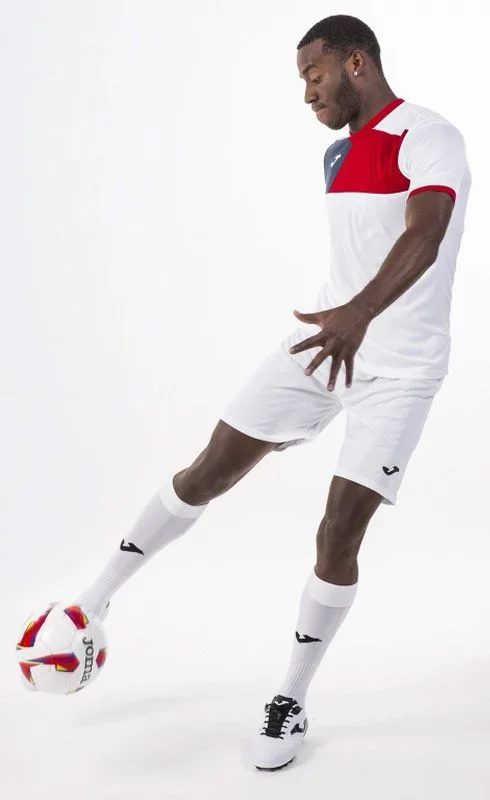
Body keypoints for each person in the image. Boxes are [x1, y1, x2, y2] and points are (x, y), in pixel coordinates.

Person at [74, 15, 471, 771]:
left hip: (401, 368)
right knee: (208, 469)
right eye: (302, 81)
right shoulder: (335, 153)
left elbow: (426, 231)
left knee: (338, 532)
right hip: (323, 341)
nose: (307, 93)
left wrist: (361, 313)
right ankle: (91, 604)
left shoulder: (429, 134)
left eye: (314, 75)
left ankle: (290, 696)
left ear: (356, 64)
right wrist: (342, 317)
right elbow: (357, 250)